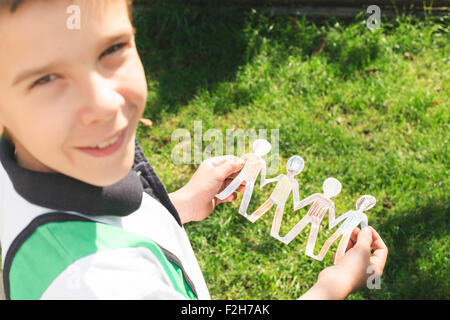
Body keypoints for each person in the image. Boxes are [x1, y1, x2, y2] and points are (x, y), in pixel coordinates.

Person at [0, 0, 387, 300]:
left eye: (112, 48)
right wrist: (331, 288)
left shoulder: (33, 166)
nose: (104, 104)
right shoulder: (104, 283)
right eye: (47, 78)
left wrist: (178, 205)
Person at [248, 155, 304, 239]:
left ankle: (274, 232)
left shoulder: (294, 183)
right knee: (265, 207)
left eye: (293, 170)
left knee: (278, 215)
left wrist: (297, 203)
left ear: (297, 171)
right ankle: (253, 217)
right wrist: (264, 181)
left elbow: (296, 196)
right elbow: (272, 180)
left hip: (281, 201)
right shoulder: (282, 176)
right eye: (290, 168)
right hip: (273, 197)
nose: (291, 171)